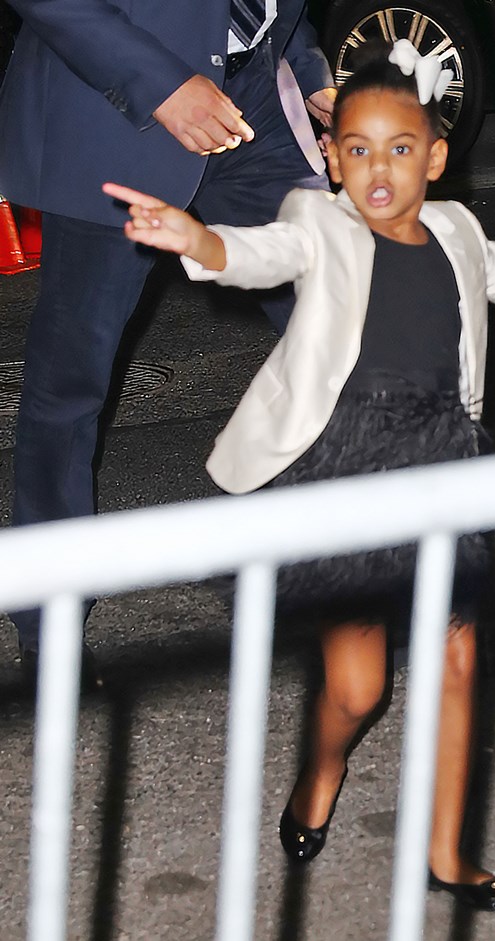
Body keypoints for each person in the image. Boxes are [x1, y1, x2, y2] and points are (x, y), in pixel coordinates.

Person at [103, 40, 495, 909]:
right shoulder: (318, 223)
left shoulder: (457, 231)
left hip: (441, 461)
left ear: (436, 158)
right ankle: (321, 770)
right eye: (360, 149)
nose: (381, 168)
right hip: (346, 466)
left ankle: (446, 852)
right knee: (357, 686)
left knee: (459, 659)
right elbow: (264, 253)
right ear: (334, 160)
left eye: (401, 147)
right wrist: (199, 240)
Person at [0, 0, 336, 687]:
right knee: (70, 384)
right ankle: (47, 618)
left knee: (352, 335)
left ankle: (406, 586)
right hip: (121, 108)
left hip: (255, 102)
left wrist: (308, 71)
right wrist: (161, 85)